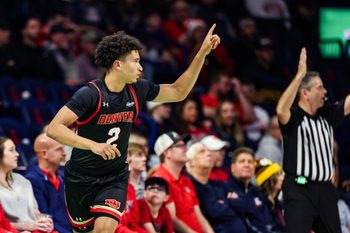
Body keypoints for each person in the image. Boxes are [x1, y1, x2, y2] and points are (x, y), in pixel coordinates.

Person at [47, 25, 220, 233]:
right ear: (118, 64)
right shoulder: (90, 94)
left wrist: (201, 54)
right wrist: (93, 145)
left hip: (114, 176)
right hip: (80, 177)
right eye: (136, 61)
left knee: (104, 230)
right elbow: (54, 128)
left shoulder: (138, 89)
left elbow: (178, 91)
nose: (140, 68)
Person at [276, 48, 350, 233]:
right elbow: (280, 110)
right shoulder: (293, 117)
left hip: (326, 190)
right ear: (305, 93)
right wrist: (300, 75)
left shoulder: (327, 114)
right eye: (319, 87)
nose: (325, 91)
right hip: (299, 190)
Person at [152, 131, 214, 233]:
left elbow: (199, 216)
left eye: (185, 145)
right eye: (180, 146)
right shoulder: (159, 180)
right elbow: (172, 219)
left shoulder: (186, 180)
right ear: (167, 153)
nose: (186, 149)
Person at [186, 142, 247, 233]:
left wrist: (225, 202)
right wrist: (231, 202)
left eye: (208, 151)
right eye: (202, 152)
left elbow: (244, 202)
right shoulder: (190, 185)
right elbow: (214, 211)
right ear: (191, 162)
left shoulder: (218, 184)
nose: (209, 154)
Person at [0, 137, 54, 233]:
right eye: (11, 150)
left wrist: (44, 221)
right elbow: (3, 225)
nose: (17, 154)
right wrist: (27, 226)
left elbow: (36, 212)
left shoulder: (23, 180)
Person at [25, 133, 72, 233]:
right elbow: (45, 215)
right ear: (44, 154)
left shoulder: (62, 175)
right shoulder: (32, 180)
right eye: (59, 149)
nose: (64, 153)